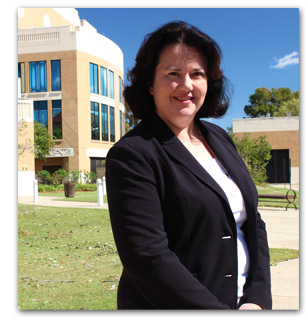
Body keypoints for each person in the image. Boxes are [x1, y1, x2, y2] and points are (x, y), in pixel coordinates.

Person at [106, 21, 272, 310]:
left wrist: (257, 298)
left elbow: (253, 223)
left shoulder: (220, 138)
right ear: (150, 83)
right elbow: (148, 257)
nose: (186, 85)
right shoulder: (133, 154)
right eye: (173, 74)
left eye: (197, 74)